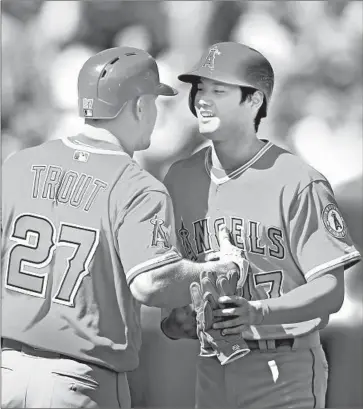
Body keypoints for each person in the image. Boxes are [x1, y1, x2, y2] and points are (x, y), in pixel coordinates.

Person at [1, 46, 239, 408]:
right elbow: (151, 282)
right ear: (139, 106)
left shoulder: (19, 163)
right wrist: (215, 270)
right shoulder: (137, 186)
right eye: (155, 103)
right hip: (78, 380)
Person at [160, 42, 361, 409]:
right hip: (212, 367)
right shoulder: (179, 179)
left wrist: (257, 312)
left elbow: (331, 291)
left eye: (218, 90)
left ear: (254, 101)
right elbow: (170, 311)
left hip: (283, 366)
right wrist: (180, 321)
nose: (203, 99)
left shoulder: (297, 180)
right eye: (199, 89)